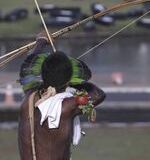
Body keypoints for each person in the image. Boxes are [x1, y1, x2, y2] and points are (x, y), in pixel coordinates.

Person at [18, 32, 106, 160]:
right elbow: (98, 94)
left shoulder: (29, 96)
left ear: (42, 75)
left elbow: (27, 68)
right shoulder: (66, 107)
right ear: (68, 79)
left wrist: (41, 41)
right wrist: (74, 82)